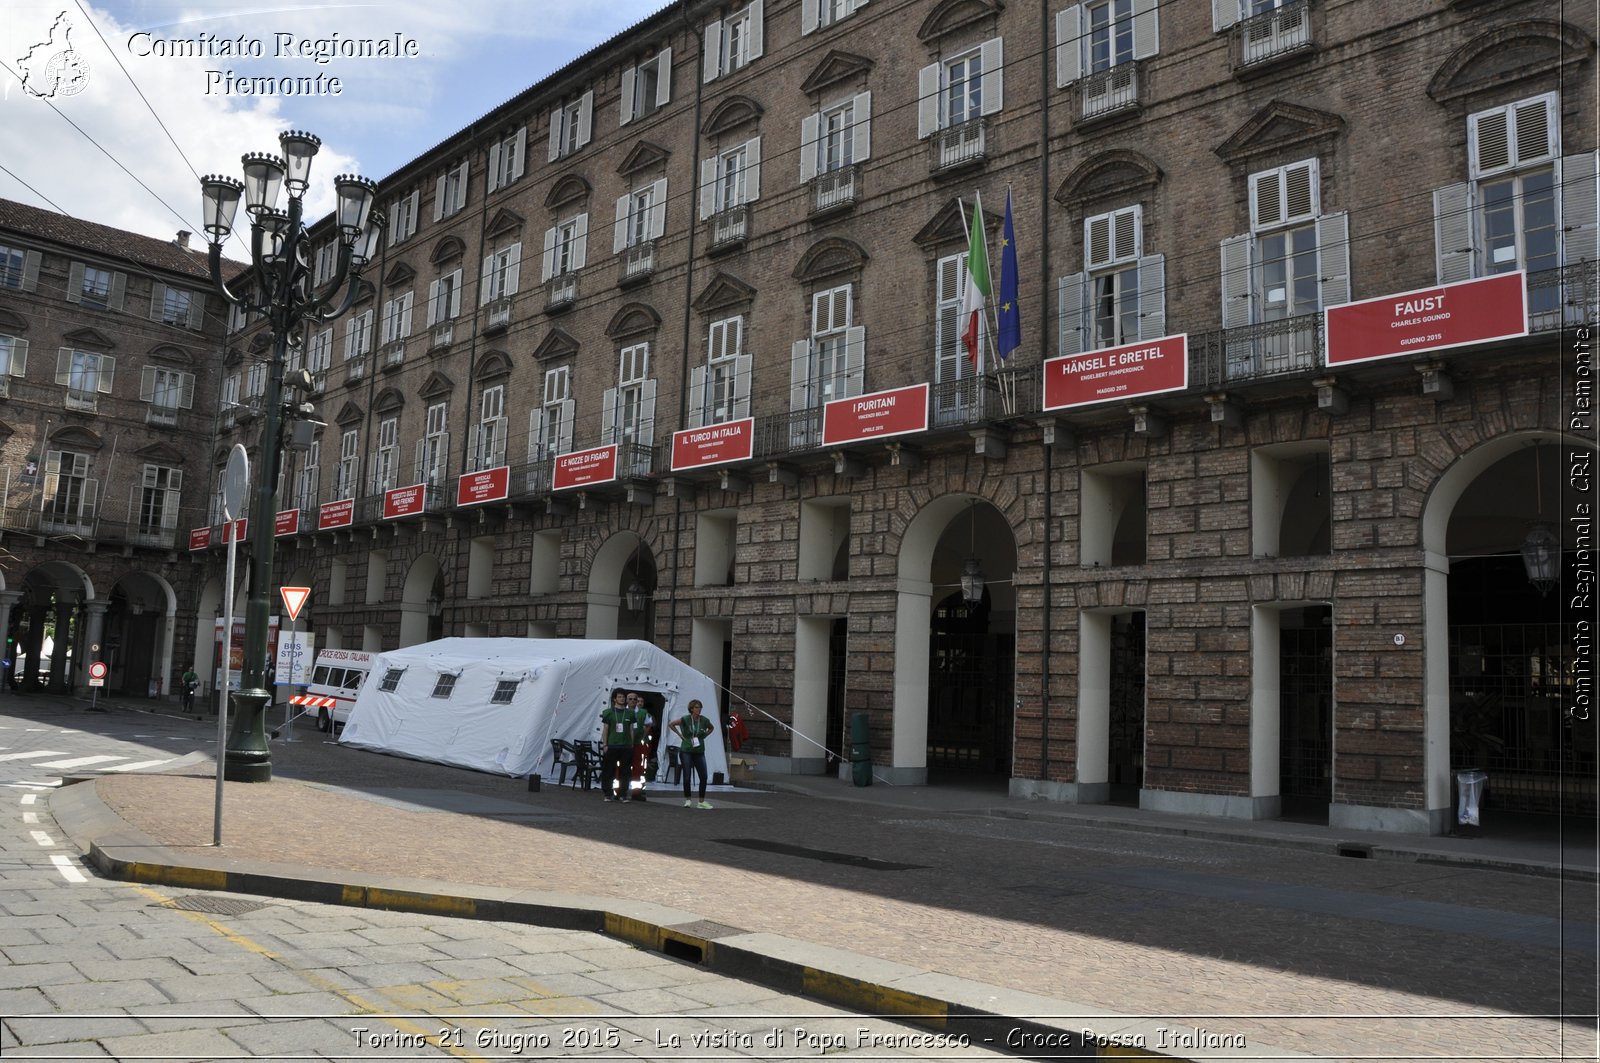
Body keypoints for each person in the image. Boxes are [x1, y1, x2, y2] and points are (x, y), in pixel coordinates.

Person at [671, 698, 716, 809]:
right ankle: (688, 799)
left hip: (699, 751)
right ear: (691, 709)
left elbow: (712, 727)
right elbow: (671, 724)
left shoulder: (704, 720)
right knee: (687, 776)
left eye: (700, 707)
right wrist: (680, 735)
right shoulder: (685, 719)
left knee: (704, 776)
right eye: (696, 707)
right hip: (686, 750)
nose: (699, 709)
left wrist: (705, 735)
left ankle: (701, 801)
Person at [598, 689, 636, 802]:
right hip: (612, 745)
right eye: (619, 697)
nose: (622, 699)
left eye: (623, 697)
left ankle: (622, 794)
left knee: (625, 771)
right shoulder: (608, 712)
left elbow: (631, 729)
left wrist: (631, 744)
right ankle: (608, 793)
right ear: (615, 699)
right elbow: (605, 729)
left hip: (626, 746)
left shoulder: (630, 713)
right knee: (609, 770)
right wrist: (605, 744)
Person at [627, 692, 653, 801]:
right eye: (631, 699)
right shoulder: (623, 711)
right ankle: (619, 792)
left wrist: (643, 735)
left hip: (639, 744)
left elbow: (649, 724)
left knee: (639, 769)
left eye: (635, 699)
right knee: (622, 768)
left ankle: (637, 792)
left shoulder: (643, 713)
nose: (634, 701)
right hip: (624, 744)